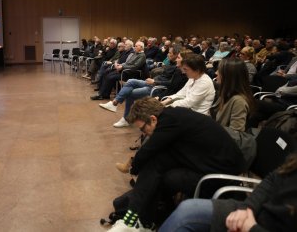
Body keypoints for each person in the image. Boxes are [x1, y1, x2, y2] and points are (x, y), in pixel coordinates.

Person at [107, 97, 245, 232]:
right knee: (157, 165)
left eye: (143, 129)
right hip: (209, 163)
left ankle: (136, 221)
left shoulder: (170, 122)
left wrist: (134, 169)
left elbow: (148, 150)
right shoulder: (173, 116)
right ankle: (141, 221)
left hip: (222, 176)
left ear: (153, 119)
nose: (143, 133)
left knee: (163, 175)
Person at [158, 152, 297, 232]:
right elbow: (273, 178)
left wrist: (251, 228)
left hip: (257, 227)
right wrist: (247, 207)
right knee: (186, 210)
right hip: (257, 212)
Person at [98, 45, 186, 128]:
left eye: (170, 53)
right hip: (154, 83)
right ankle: (115, 103)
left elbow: (171, 84)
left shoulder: (178, 69)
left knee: (130, 93)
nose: (167, 54)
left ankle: (124, 116)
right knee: (130, 81)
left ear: (176, 55)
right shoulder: (171, 63)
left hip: (157, 88)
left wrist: (155, 81)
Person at [211, 58, 255, 132]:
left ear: (228, 76)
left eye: (219, 71)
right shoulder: (226, 93)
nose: (216, 72)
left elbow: (235, 134)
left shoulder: (239, 101)